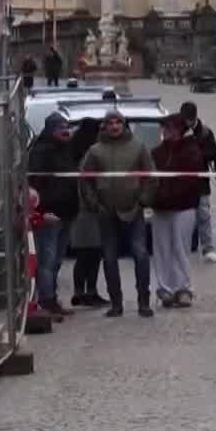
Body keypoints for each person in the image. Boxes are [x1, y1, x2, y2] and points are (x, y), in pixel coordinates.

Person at [77, 110, 155, 318]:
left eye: (118, 122)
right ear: (105, 126)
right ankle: (116, 303)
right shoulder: (95, 151)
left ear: (124, 124)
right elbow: (84, 179)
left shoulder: (138, 147)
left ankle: (144, 302)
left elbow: (150, 176)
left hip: (133, 210)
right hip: (106, 211)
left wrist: (143, 200)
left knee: (140, 254)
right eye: (110, 123)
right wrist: (94, 203)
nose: (114, 126)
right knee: (109, 258)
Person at [26, 113, 82, 315]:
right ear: (50, 129)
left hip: (67, 213)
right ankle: (46, 301)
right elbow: (34, 186)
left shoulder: (66, 150)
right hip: (49, 215)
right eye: (60, 128)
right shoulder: (40, 152)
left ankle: (51, 298)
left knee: (57, 260)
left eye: (66, 127)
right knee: (47, 261)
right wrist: (41, 212)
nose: (65, 131)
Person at [149, 114, 207, 308]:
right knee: (161, 249)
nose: (166, 131)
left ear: (179, 130)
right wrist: (155, 197)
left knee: (181, 248)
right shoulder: (156, 153)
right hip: (160, 208)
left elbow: (192, 181)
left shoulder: (192, 151)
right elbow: (150, 179)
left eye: (170, 128)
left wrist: (170, 195)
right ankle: (165, 288)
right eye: (164, 128)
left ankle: (183, 288)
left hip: (183, 207)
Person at [65, 117, 105, 307]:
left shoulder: (73, 151)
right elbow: (87, 184)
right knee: (94, 253)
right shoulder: (90, 154)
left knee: (83, 254)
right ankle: (90, 291)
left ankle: (80, 291)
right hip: (88, 211)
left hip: (78, 211)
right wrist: (96, 204)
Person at [179, 102, 216, 262]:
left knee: (203, 214)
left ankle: (207, 248)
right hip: (182, 182)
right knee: (183, 216)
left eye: (189, 120)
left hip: (201, 181)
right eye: (185, 120)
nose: (187, 124)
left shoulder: (205, 133)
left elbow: (213, 152)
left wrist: (196, 155)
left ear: (195, 117)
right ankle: (183, 247)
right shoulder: (177, 131)